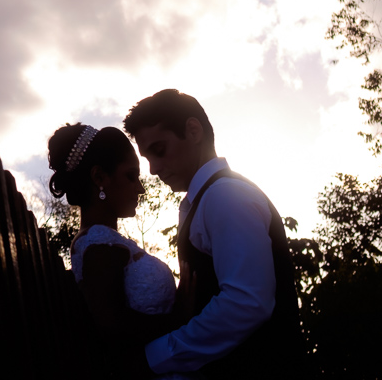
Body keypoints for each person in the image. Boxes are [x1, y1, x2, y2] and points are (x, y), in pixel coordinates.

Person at [123, 89, 303, 379]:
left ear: (193, 131)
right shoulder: (206, 199)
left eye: (159, 150)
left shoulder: (225, 195)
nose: (153, 169)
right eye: (147, 158)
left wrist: (153, 358)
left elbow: (246, 303)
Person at [47, 123, 191, 380]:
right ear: (99, 178)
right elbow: (112, 326)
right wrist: (184, 318)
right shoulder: (98, 245)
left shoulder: (109, 242)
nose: (140, 188)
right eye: (130, 175)